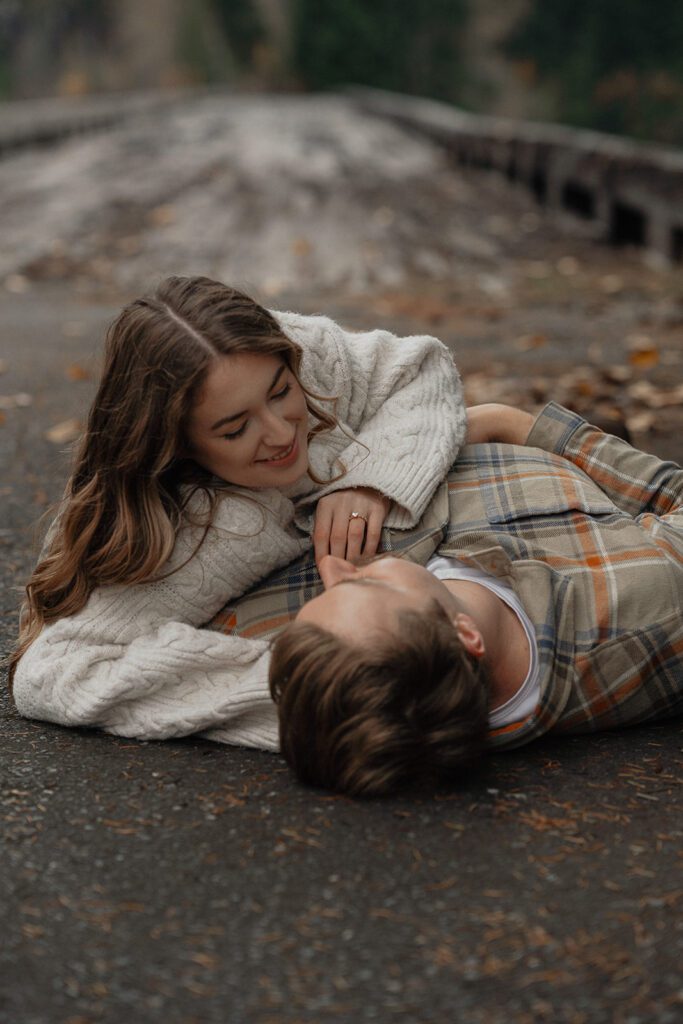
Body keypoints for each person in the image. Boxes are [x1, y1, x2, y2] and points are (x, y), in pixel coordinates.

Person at [10, 275, 468, 745]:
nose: (280, 434)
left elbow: (421, 366)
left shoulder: (293, 352)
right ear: (177, 445)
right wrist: (300, 677)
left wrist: (370, 482)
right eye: (234, 430)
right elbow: (49, 674)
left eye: (280, 393)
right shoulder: (199, 530)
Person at [219, 401, 682, 796]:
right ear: (465, 634)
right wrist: (511, 423)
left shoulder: (340, 652)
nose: (332, 568)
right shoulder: (652, 603)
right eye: (364, 582)